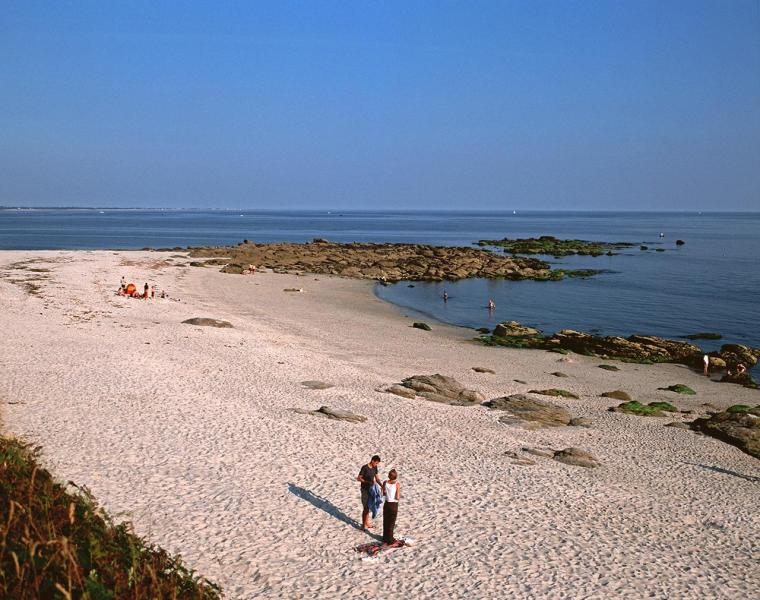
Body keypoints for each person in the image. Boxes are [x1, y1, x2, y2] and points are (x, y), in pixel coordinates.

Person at [357, 455, 382, 530]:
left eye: (377, 463)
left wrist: (382, 485)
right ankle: (363, 525)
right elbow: (358, 478)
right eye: (376, 463)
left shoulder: (375, 467)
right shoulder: (365, 467)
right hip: (364, 490)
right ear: (372, 461)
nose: (376, 465)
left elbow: (377, 478)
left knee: (370, 506)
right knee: (365, 508)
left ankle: (367, 523)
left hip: (372, 490)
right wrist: (367, 482)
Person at [381, 469, 400, 544]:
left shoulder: (385, 482)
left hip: (387, 503)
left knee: (386, 521)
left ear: (389, 476)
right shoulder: (397, 484)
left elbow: (382, 493)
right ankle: (390, 539)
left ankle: (385, 538)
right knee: (392, 522)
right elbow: (397, 497)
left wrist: (387, 494)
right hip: (393, 504)